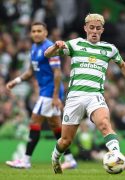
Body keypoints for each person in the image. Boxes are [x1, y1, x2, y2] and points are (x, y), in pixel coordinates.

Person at [44, 13, 125, 174]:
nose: (94, 31)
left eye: (98, 28)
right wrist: (56, 46)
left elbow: (123, 65)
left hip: (95, 96)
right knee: (65, 141)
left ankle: (117, 158)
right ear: (85, 28)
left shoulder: (109, 49)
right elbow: (47, 54)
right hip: (75, 97)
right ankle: (55, 158)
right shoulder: (75, 44)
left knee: (105, 124)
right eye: (91, 28)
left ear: (102, 30)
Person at [5, 22, 77, 170]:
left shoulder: (49, 47)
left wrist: (56, 96)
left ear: (45, 33)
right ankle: (70, 159)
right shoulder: (34, 48)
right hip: (46, 91)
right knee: (55, 126)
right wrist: (16, 81)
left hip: (50, 92)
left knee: (34, 122)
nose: (36, 33)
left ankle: (25, 160)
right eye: (34, 31)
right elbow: (31, 72)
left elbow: (58, 73)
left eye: (39, 31)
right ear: (31, 34)